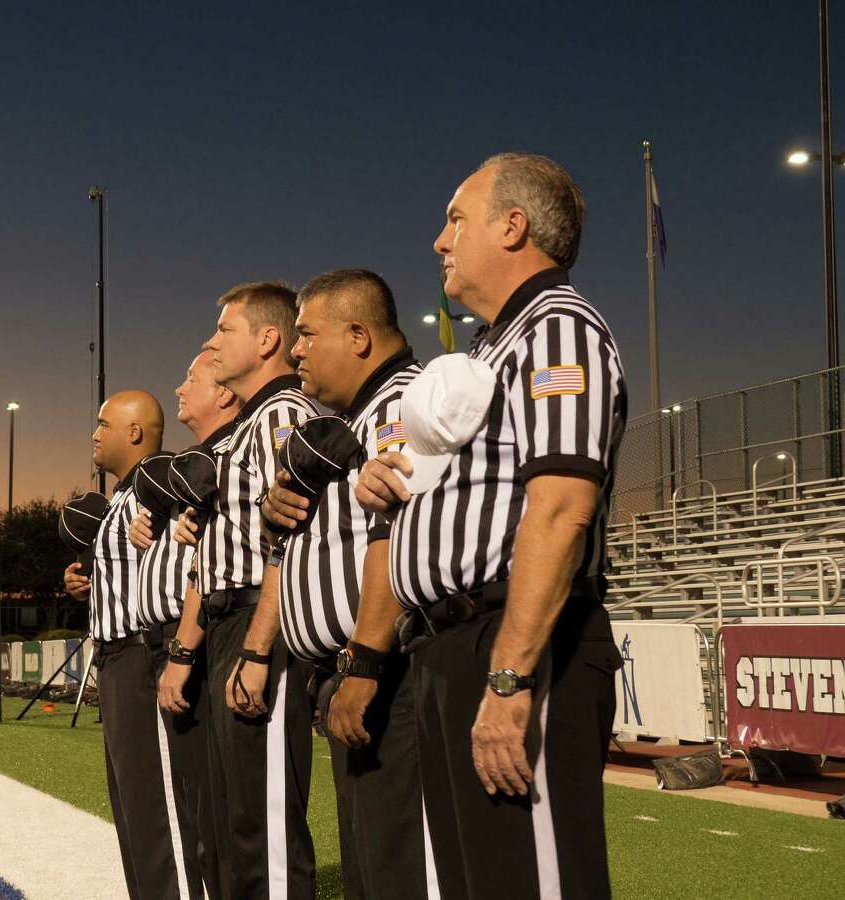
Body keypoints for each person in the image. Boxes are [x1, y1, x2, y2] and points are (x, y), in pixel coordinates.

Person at [357, 153, 627, 899]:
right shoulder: (491, 345)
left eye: (455, 219)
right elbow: (475, 494)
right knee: (478, 880)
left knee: (531, 880)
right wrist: (390, 484)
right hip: (452, 643)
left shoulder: (558, 327)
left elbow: (562, 506)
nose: (440, 242)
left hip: (515, 641)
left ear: (513, 227)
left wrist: (509, 679)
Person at [259, 269, 436, 900]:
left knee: (398, 867)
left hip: (390, 673)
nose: (296, 350)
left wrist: (362, 661)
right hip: (356, 671)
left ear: (358, 336)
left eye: (306, 334)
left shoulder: (402, 404)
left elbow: (397, 540)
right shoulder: (360, 415)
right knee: (370, 865)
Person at [174, 282, 319, 899]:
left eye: (224, 331)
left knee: (263, 826)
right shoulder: (256, 422)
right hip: (230, 617)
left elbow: (292, 542)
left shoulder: (284, 415)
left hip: (259, 622)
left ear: (267, 339)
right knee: (235, 822)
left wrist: (258, 650)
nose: (212, 342)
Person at [62, 389, 188, 900]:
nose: (94, 433)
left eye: (103, 423)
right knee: (131, 802)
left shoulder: (160, 483)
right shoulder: (121, 497)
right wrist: (85, 581)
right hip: (115, 657)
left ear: (134, 432)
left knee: (156, 803)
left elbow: (181, 562)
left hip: (143, 654)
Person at [128, 347, 241, 899]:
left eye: (190, 378)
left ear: (224, 392)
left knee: (215, 803)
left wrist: (181, 650)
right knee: (194, 799)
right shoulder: (190, 466)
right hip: (178, 637)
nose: (178, 388)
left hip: (204, 634)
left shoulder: (226, 456)